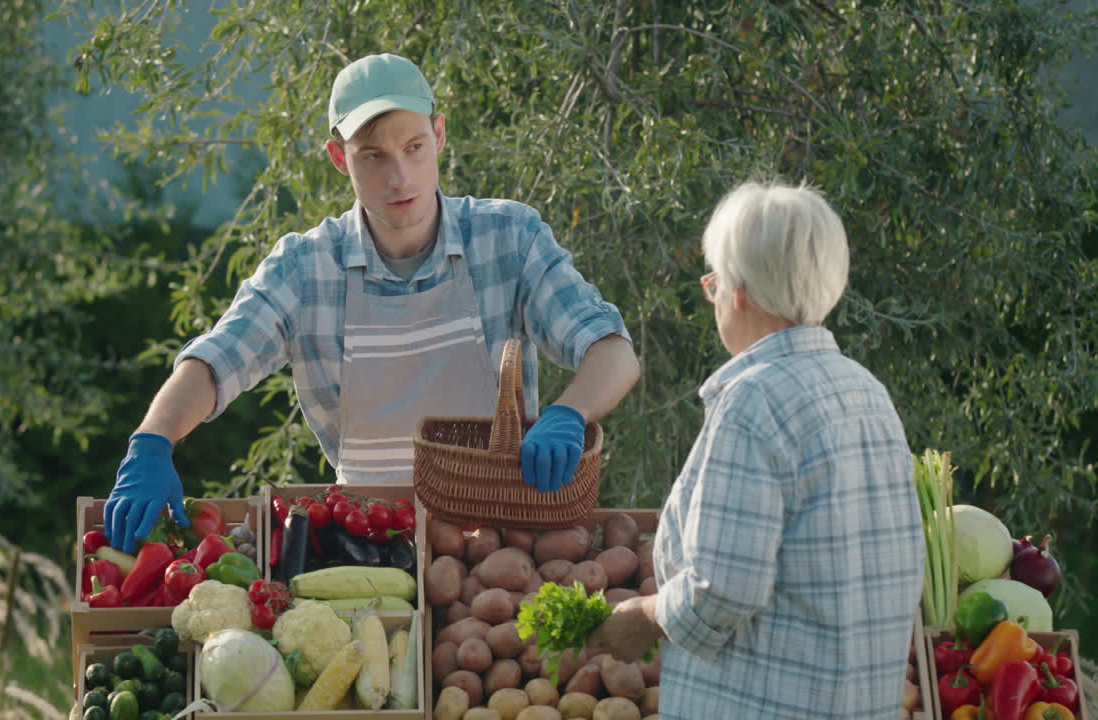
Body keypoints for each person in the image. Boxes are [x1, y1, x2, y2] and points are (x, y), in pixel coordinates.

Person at [103, 53, 640, 553]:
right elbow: (218, 360)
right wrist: (152, 440)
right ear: (340, 158)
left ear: (439, 134)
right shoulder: (305, 268)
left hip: (500, 546)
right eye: (374, 156)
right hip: (366, 551)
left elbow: (612, 351)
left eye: (413, 148)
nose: (399, 177)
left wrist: (570, 412)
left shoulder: (508, 239)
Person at [589, 182, 925, 717]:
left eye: (713, 280)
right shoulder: (867, 392)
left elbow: (722, 590)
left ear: (739, 289)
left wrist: (643, 618)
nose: (711, 292)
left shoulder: (753, 401)